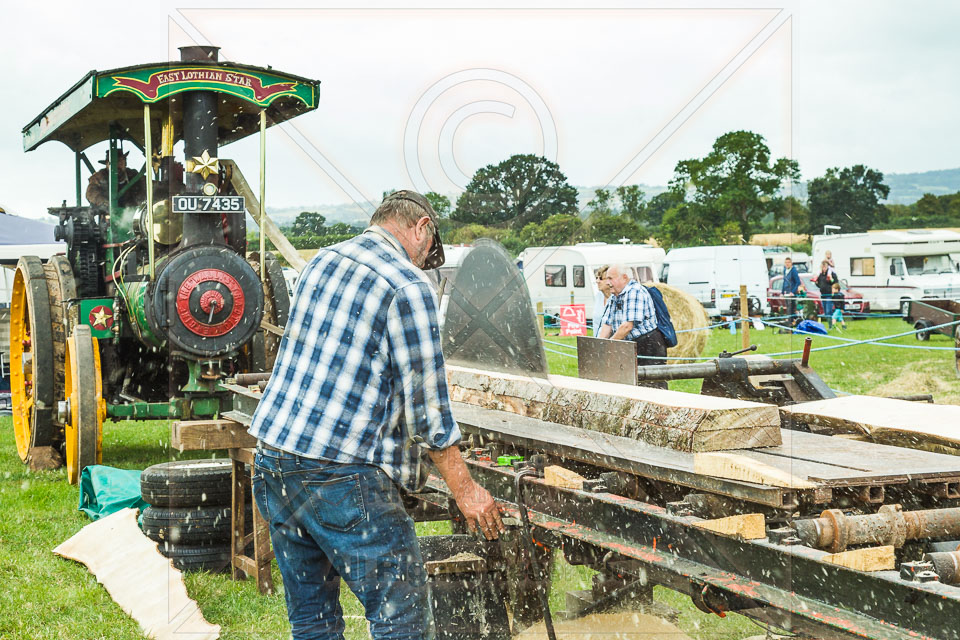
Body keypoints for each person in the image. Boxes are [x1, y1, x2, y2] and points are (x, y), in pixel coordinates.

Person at [248, 190, 503, 639]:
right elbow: (426, 409)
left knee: (312, 617)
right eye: (428, 253)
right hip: (340, 473)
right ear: (422, 227)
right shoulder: (407, 285)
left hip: (273, 458)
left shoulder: (321, 262)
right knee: (399, 613)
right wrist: (466, 491)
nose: (424, 263)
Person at [598, 264, 666, 388]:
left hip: (648, 344)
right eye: (607, 279)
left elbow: (627, 327)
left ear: (624, 277)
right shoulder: (614, 297)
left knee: (652, 384)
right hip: (629, 343)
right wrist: (599, 346)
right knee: (630, 383)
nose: (608, 283)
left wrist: (608, 346)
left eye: (610, 278)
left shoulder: (635, 292)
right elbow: (607, 324)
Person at [592, 264, 613, 336]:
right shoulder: (598, 296)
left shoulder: (616, 298)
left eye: (601, 278)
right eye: (596, 278)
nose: (597, 281)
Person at [782, 257, 802, 322]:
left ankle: (791, 322)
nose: (787, 264)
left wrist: (793, 292)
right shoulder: (785, 270)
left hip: (791, 293)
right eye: (786, 262)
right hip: (786, 292)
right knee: (788, 308)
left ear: (791, 263)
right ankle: (790, 321)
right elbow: (784, 281)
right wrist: (782, 292)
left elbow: (798, 282)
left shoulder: (793, 271)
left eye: (788, 262)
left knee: (791, 308)